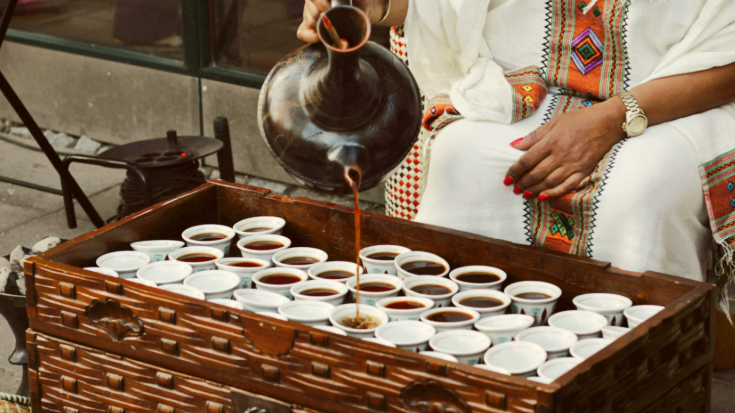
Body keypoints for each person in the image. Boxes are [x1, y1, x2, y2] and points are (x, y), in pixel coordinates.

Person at [298, 0, 735, 312]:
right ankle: (456, 348)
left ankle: (637, 366)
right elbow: (446, 8)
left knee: (641, 187)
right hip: (526, 89)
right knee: (462, 157)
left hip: (670, 101)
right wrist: (373, 7)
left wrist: (610, 120)